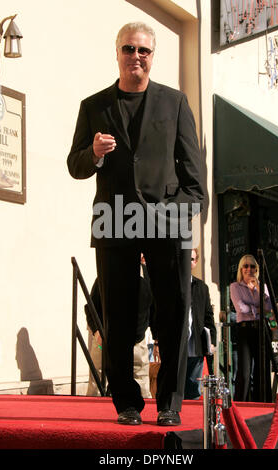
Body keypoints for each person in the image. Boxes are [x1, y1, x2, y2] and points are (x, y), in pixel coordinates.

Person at [67, 22, 204, 426]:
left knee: (174, 313)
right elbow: (74, 166)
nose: (136, 56)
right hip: (115, 220)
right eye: (128, 48)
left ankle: (170, 404)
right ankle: (126, 403)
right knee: (118, 317)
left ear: (151, 55)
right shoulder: (94, 106)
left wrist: (171, 215)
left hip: (166, 219)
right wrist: (92, 153)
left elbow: (195, 182)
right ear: (118, 53)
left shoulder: (175, 103)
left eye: (143, 50)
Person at [85, 254, 156, 398]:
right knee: (97, 376)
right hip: (105, 337)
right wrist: (97, 331)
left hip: (138, 338)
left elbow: (154, 308)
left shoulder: (149, 276)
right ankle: (92, 408)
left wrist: (156, 337)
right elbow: (91, 306)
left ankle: (142, 411)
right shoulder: (107, 273)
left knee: (140, 376)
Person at [230, 254, 272, 402]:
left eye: (252, 266)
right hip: (245, 330)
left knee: (262, 371)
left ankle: (263, 403)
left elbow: (269, 306)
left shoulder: (263, 286)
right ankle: (240, 405)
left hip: (261, 329)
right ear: (241, 269)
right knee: (244, 371)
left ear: (257, 269)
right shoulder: (235, 286)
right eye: (246, 266)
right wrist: (258, 309)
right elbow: (241, 308)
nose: (249, 269)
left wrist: (258, 289)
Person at [184, 248, 216, 399]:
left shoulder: (202, 287)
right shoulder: (171, 285)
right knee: (175, 390)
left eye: (191, 259)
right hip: (176, 347)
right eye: (185, 257)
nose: (188, 261)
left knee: (193, 391)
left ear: (195, 262)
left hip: (196, 346)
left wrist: (212, 341)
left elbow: (208, 317)